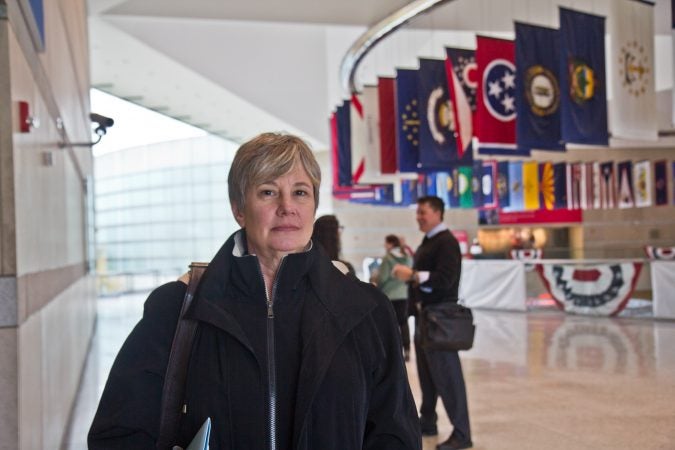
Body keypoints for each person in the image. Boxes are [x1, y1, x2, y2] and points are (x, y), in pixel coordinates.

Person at [88, 133, 421, 450]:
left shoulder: (365, 309)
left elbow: (395, 434)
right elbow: (119, 434)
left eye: (301, 193)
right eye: (267, 192)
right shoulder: (177, 309)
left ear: (314, 207)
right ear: (239, 209)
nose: (287, 207)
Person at [392, 196, 472, 450]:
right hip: (426, 317)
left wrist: (413, 275)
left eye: (422, 212)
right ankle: (428, 422)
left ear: (437, 213)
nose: (418, 217)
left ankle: (462, 433)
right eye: (417, 212)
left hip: (441, 318)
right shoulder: (430, 241)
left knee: (448, 378)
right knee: (427, 376)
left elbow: (446, 279)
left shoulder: (446, 242)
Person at [376, 234, 413, 361]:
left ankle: (392, 353)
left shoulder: (388, 258)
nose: (384, 245)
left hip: (389, 296)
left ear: (391, 244)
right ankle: (407, 349)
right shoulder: (407, 257)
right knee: (403, 323)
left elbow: (382, 278)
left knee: (390, 325)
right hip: (403, 294)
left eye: (386, 243)